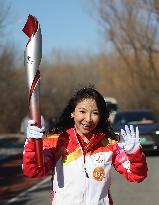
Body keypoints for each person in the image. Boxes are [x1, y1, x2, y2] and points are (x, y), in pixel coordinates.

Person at [22, 86, 148, 205]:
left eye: (95, 113)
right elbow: (34, 171)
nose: (88, 119)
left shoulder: (109, 145)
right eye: (82, 111)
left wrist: (134, 154)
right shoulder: (57, 142)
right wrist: (32, 144)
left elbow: (136, 176)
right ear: (72, 113)